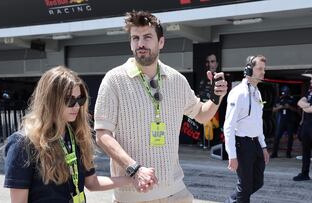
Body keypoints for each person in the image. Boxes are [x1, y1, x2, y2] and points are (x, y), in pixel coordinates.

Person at [94, 10, 228, 203]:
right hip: (133, 194)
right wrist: (134, 169)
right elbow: (102, 135)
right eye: (135, 38)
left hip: (176, 192)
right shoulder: (114, 80)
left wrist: (216, 97)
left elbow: (200, 114)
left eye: (147, 37)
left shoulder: (176, 80)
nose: (140, 44)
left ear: (161, 42)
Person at [3, 66, 131, 203]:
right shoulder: (22, 143)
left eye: (80, 99)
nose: (77, 106)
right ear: (50, 101)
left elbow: (92, 182)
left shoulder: (77, 135)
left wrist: (131, 179)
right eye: (70, 100)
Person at [224, 55, 269, 203]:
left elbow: (258, 122)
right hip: (242, 145)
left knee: (257, 182)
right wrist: (232, 155)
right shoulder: (238, 93)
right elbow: (229, 126)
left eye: (264, 69)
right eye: (260, 69)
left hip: (255, 143)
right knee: (245, 187)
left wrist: (263, 146)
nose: (263, 72)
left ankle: (232, 200)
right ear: (249, 70)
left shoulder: (257, 92)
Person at [198, 53, 219, 148]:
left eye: (213, 61)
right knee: (204, 126)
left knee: (215, 127)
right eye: (208, 62)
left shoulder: (220, 78)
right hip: (203, 108)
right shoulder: (202, 79)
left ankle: (214, 144)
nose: (210, 64)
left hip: (216, 109)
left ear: (217, 64)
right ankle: (204, 143)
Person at [271, 85, 298, 158]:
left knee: (290, 137)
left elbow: (297, 110)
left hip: (290, 120)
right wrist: (281, 107)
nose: (285, 94)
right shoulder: (278, 99)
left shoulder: (292, 99)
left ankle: (288, 153)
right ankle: (274, 153)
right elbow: (273, 110)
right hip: (281, 120)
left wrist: (289, 107)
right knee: (277, 137)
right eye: (283, 92)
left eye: (286, 92)